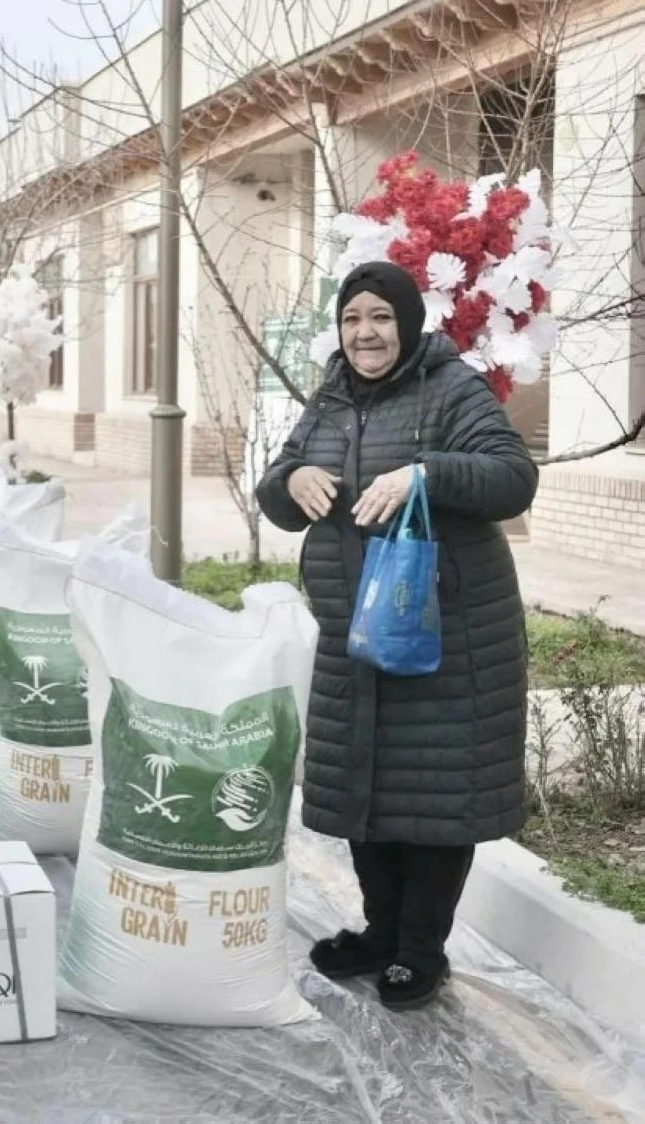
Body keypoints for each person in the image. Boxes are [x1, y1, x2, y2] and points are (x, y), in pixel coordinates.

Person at [256, 260, 537, 1011]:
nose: (365, 332)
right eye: (352, 319)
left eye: (380, 317)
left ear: (408, 323)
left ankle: (420, 951)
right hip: (356, 633)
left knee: (435, 796)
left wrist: (424, 474)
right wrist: (289, 485)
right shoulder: (331, 396)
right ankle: (381, 934)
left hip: (447, 634)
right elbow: (277, 480)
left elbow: (512, 476)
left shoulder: (450, 388)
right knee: (364, 789)